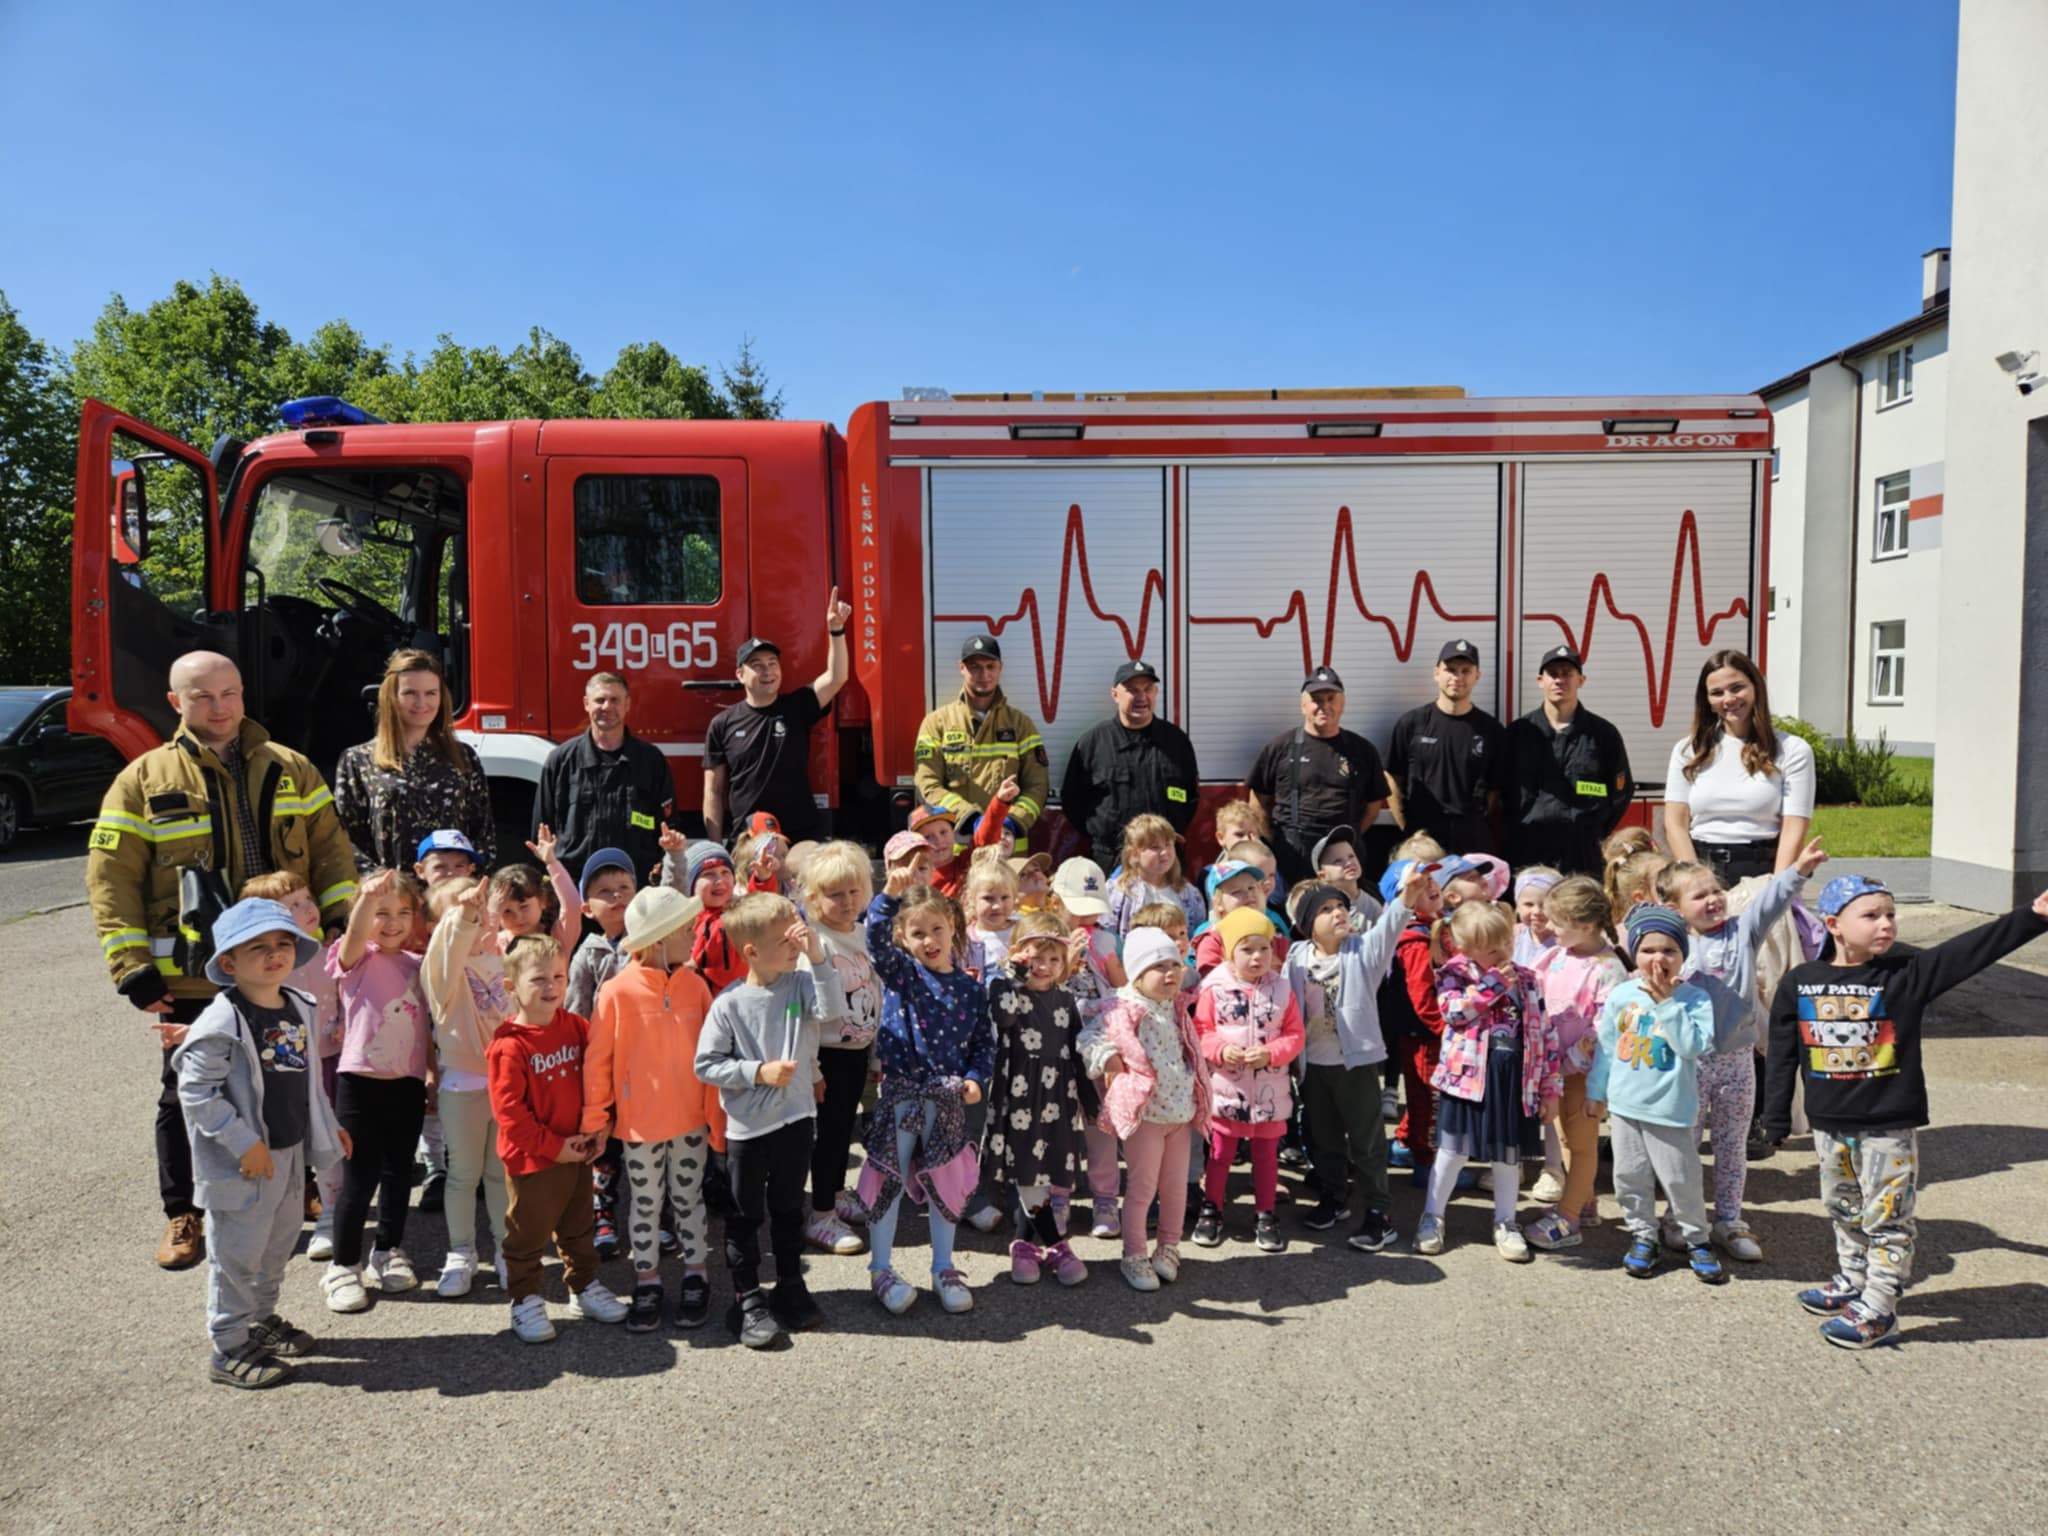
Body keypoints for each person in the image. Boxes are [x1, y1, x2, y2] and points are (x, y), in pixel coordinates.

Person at [88, 649, 358, 1269]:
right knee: (186, 1091)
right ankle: (185, 1212)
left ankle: (298, 1183)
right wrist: (131, 965)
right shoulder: (142, 779)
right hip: (193, 969)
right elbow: (111, 879)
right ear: (175, 701)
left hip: (281, 965)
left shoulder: (291, 767)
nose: (219, 707)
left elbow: (331, 850)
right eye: (202, 696)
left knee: (285, 1080)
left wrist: (340, 918)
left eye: (229, 693)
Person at [1763, 875, 2048, 1349]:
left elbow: (1970, 950)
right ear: (1833, 925)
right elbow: (1782, 1055)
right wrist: (1774, 1118)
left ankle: (1880, 1309)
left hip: (1887, 1127)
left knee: (1888, 1218)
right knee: (1842, 1208)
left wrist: (2032, 917)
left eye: (1891, 914)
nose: (1886, 924)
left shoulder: (1905, 976)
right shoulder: (1800, 982)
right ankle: (1853, 1281)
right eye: (1871, 915)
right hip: (1829, 1127)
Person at [173, 898, 348, 1387]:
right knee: (237, 1254)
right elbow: (196, 1091)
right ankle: (228, 1345)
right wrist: (242, 1141)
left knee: (278, 1244)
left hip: (289, 1155)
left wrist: (329, 1124)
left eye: (283, 943)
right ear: (229, 963)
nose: (275, 954)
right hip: (244, 1165)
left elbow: (308, 1081)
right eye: (258, 947)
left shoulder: (298, 1005)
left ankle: (260, 1319)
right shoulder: (221, 1022)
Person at [1660, 839, 1828, 1263]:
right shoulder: (1672, 946)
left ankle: (1729, 1219)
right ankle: (1679, 1217)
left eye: (1715, 890)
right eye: (1700, 895)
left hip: (1737, 1061)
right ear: (1675, 909)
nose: (1713, 899)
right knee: (1684, 1144)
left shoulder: (1742, 931)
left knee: (1732, 1145)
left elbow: (1771, 902)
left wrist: (1798, 871)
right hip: (1690, 1063)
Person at [694, 893, 847, 1347]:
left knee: (787, 1209)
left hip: (796, 1119)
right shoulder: (729, 1004)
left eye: (798, 933)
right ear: (752, 952)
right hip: (749, 1132)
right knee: (745, 1216)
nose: (796, 943)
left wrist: (817, 956)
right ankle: (747, 1297)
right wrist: (756, 1072)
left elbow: (832, 1009)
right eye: (786, 939)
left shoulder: (800, 983)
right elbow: (706, 1064)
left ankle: (790, 1284)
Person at [585, 886, 724, 1332]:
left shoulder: (695, 986)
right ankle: (647, 1281)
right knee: (645, 1204)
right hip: (640, 1125)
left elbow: (714, 1054)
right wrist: (595, 1120)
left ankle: (696, 1274)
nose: (694, 935)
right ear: (661, 940)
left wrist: (716, 1119)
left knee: (689, 1199)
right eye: (686, 929)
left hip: (691, 1121)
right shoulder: (616, 992)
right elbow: (597, 1061)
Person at [855, 874, 994, 1317]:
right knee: (889, 1181)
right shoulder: (902, 974)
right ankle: (880, 1269)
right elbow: (874, 941)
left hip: (947, 1100)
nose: (930, 940)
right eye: (918, 933)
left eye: (937, 929)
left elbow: (983, 1043)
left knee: (944, 1185)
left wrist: (975, 1077)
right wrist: (887, 897)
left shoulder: (972, 989)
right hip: (901, 1093)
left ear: (953, 925)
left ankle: (943, 1267)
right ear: (903, 937)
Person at [487, 936, 630, 1343]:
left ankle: (583, 1287)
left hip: (578, 1152)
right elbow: (510, 1115)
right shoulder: (508, 1046)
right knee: (527, 1235)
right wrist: (554, 1147)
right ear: (511, 987)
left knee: (579, 1227)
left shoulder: (576, 1027)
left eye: (559, 977)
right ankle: (525, 1300)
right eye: (538, 979)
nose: (551, 986)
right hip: (534, 1161)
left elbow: (599, 1080)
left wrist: (601, 1127)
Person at [1586, 906, 1727, 1285]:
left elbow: (1692, 1046)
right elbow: (1607, 1048)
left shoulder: (1695, 999)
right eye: (1648, 950)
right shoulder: (1622, 995)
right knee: (1629, 1176)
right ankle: (1643, 1235)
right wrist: (1596, 1092)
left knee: (1681, 1180)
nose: (1658, 958)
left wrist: (1667, 1003)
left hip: (1670, 1109)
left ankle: (1697, 1239)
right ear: (1635, 953)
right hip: (1625, 1107)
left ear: (1682, 955)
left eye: (1669, 950)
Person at [1412, 901, 1557, 1262]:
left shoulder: (1528, 979)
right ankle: (1432, 1215)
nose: (1502, 953)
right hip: (1467, 1079)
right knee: (1453, 1150)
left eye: (1506, 943)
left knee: (1507, 1154)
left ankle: (1506, 1221)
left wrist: (1550, 1087)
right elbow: (1453, 1012)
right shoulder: (1454, 974)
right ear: (1466, 947)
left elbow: (1546, 1033)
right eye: (1492, 949)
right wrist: (1493, 985)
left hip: (1514, 1078)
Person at [1284, 871, 1421, 1253]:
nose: (1338, 913)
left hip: (1355, 1064)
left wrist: (1408, 896)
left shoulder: (1363, 951)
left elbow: (1390, 927)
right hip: (1313, 1065)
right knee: (1324, 1138)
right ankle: (1334, 1196)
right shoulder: (1296, 957)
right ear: (1307, 924)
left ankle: (1379, 1212)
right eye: (1326, 909)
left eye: (1341, 906)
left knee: (1367, 1141)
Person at [319, 870, 430, 1314]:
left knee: (399, 1174)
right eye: (381, 913)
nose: (393, 922)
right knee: (360, 1177)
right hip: (359, 1082)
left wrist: (432, 1074)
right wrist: (366, 898)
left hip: (407, 1083)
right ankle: (344, 1267)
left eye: (403, 912)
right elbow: (352, 939)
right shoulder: (354, 957)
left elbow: (427, 1027)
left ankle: (387, 1250)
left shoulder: (419, 965)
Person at [1083, 926, 1213, 1292]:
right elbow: (1090, 1037)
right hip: (1147, 1116)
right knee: (1143, 1188)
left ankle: (1168, 1247)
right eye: (1159, 966)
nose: (1170, 973)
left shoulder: (1175, 1007)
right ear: (1137, 973)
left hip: (1180, 1113)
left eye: (1174, 965)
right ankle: (1134, 1254)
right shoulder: (1124, 1008)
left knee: (1175, 1187)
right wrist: (1108, 1058)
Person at [983, 914, 1092, 1288]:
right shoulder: (1006, 990)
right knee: (1028, 1172)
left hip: (1058, 1098)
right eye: (1036, 958)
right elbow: (1003, 1018)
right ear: (1018, 955)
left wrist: (1091, 1102)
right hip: (1020, 1098)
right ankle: (1058, 1246)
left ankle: (1025, 1246)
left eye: (1053, 959)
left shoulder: (1066, 999)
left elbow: (1076, 1051)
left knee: (1044, 1175)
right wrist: (1014, 975)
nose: (1044, 967)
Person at [1520, 877, 1627, 1252]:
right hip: (1555, 1070)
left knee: (1581, 1146)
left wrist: (1571, 1066)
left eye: (1557, 920)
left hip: (1583, 1075)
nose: (1548, 926)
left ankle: (1568, 1218)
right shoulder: (1556, 956)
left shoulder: (1608, 969)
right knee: (1565, 1138)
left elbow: (1604, 1032)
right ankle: (1584, 1201)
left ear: (1585, 925)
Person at [1190, 909, 1305, 1255]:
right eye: (1247, 949)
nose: (1257, 957)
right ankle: (1212, 1207)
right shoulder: (1213, 988)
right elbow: (1201, 1030)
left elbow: (1294, 1034)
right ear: (1230, 953)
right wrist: (1221, 1050)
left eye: (1264, 948)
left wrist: (1271, 1053)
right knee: (1220, 1155)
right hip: (1228, 1090)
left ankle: (1265, 1213)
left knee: (1266, 1156)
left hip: (1270, 1093)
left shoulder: (1282, 988)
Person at [420, 875, 512, 1298]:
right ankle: (461, 1251)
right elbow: (451, 947)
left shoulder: (503, 960)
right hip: (462, 1086)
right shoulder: (442, 974)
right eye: (460, 912)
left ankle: (506, 1249)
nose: (476, 918)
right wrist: (465, 916)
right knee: (462, 1175)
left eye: (481, 909)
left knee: (499, 1174)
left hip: (505, 1085)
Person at [702, 592, 853, 844]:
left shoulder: (798, 706)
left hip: (800, 836)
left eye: (773, 663)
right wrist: (715, 848)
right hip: (749, 837)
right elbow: (713, 791)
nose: (768, 671)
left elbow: (837, 677)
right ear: (740, 674)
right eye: (757, 665)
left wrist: (835, 630)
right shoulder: (722, 724)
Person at [334, 648, 494, 874]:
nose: (421, 702)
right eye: (410, 693)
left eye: (431, 693)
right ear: (391, 697)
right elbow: (346, 840)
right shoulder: (358, 761)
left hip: (452, 891)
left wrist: (464, 883)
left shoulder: (463, 757)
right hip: (391, 892)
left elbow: (483, 833)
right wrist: (379, 883)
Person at [1663, 649, 1816, 881]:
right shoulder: (1688, 751)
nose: (1729, 699)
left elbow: (1794, 829)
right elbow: (1675, 824)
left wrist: (1776, 888)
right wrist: (1696, 883)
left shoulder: (1792, 750)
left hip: (1763, 871)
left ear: (1756, 688)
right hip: (1701, 870)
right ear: (1707, 701)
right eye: (1717, 693)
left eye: (1737, 688)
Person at [798, 841, 883, 1254]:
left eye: (854, 891)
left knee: (843, 1130)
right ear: (815, 898)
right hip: (826, 1056)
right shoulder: (816, 944)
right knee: (829, 1138)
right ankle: (820, 1214)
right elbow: (807, 1014)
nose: (848, 901)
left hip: (856, 1053)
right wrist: (812, 1070)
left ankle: (834, 1192)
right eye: (836, 894)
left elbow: (875, 991)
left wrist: (875, 1053)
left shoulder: (861, 935)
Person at [1246, 666, 1388, 885]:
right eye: (1317, 700)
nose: (1325, 706)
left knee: (1344, 903)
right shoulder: (1280, 748)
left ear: (1342, 705)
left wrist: (1350, 835)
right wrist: (1276, 841)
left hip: (1344, 848)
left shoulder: (1362, 750)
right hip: (1294, 851)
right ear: (1303, 706)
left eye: (1331, 699)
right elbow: (1258, 802)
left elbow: (1373, 806)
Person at [1502, 645, 1634, 876]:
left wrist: (1593, 830)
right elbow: (1502, 790)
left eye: (1567, 674)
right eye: (1553, 674)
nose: (1559, 680)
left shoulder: (1603, 734)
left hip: (1582, 852)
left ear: (1581, 680)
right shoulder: (1519, 733)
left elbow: (1620, 793)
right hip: (1529, 849)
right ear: (1540, 681)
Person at [1058, 659, 1201, 870]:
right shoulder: (1093, 743)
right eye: (1132, 690)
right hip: (1112, 860)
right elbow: (1072, 800)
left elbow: (1191, 797)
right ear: (1115, 695)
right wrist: (1103, 835)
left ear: (1156, 692)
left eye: (1148, 689)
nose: (1142, 697)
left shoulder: (1176, 741)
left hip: (1166, 860)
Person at [532, 672, 675, 883]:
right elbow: (542, 829)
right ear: (586, 704)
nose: (607, 707)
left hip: (635, 883)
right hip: (575, 883)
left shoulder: (651, 761)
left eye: (615, 700)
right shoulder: (561, 761)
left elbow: (669, 827)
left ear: (627, 704)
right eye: (600, 700)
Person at [913, 633, 1049, 838]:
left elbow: (1038, 785)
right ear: (962, 668)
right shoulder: (936, 724)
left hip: (1006, 847)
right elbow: (927, 784)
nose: (984, 674)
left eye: (990, 666)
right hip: (956, 845)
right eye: (975, 667)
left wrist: (1011, 821)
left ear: (1000, 668)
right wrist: (968, 817)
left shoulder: (1021, 724)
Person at [1384, 639, 1506, 855]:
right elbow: (1393, 778)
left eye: (1466, 671)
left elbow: (1495, 790)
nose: (1457, 677)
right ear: (1436, 673)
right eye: (1450, 670)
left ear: (1477, 676)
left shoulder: (1491, 730)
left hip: (1471, 839)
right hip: (1423, 838)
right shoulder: (1412, 723)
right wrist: (1407, 827)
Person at [1105, 813, 1206, 938]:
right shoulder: (1118, 892)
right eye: (1155, 847)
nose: (1164, 852)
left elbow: (1197, 935)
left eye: (1168, 844)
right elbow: (1106, 935)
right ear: (1134, 854)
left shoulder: (1189, 894)